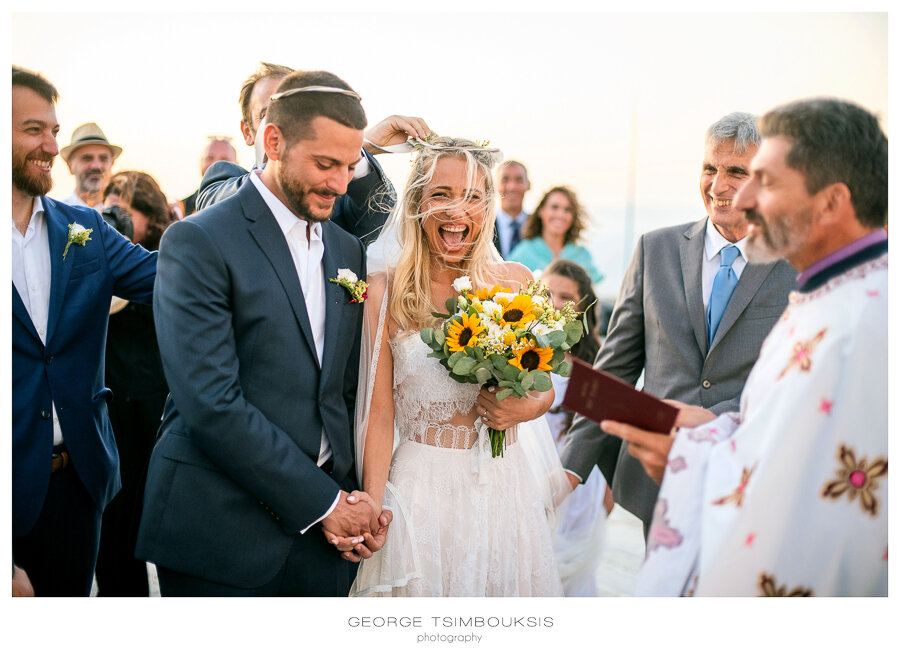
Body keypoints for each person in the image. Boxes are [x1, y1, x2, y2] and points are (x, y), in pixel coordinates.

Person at [602, 98, 888, 596]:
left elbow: (841, 498)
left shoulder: (870, 320)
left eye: (767, 181)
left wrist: (694, 454)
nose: (741, 198)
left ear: (831, 202)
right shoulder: (827, 297)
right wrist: (714, 431)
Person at [136, 70, 395, 597]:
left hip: (326, 545)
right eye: (325, 164)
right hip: (220, 531)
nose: (340, 184)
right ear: (272, 141)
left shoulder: (346, 251)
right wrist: (323, 504)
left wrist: (356, 500)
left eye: (350, 166)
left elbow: (342, 391)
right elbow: (210, 402)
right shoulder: (199, 241)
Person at [561, 112, 797, 538]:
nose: (717, 185)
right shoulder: (656, 249)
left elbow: (795, 382)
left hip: (750, 481)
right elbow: (614, 372)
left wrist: (711, 420)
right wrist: (568, 472)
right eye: (710, 168)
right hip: (658, 480)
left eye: (736, 172)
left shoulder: (796, 265)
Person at [348, 138, 565, 597]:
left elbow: (546, 386)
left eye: (472, 196)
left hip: (503, 491)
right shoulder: (386, 292)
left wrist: (523, 410)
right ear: (416, 205)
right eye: (441, 194)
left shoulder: (518, 283)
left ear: (488, 207)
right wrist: (372, 502)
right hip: (419, 492)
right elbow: (380, 414)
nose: (456, 210)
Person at [12, 66, 158, 596]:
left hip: (80, 485)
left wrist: (271, 175)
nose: (51, 144)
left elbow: (171, 277)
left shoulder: (86, 230)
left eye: (54, 130)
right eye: (34, 130)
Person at [195, 61, 430, 246]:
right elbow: (221, 208)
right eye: (270, 113)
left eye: (297, 110)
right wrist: (364, 144)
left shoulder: (333, 201)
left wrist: (352, 148)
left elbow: (379, 209)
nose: (286, 122)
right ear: (248, 132)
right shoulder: (222, 180)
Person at [93, 171, 176, 596]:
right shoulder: (97, 256)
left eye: (122, 212)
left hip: (157, 411)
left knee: (162, 523)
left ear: (148, 213)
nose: (113, 219)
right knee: (116, 531)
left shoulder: (167, 256)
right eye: (108, 210)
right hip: (114, 412)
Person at [542, 259, 612, 597]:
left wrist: (605, 502)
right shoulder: (517, 352)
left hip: (580, 485)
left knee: (578, 586)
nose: (555, 304)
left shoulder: (596, 366)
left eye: (566, 298)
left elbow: (607, 436)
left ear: (582, 308)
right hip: (533, 477)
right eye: (548, 294)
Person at [507, 186, 603, 283]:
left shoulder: (582, 255)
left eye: (567, 209)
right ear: (541, 211)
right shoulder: (522, 254)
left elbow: (592, 294)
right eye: (554, 207)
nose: (560, 215)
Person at [59, 121, 122, 211]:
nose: (96, 166)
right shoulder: (57, 214)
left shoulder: (126, 213)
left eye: (103, 158)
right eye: (87, 158)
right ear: (70, 165)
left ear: (112, 163)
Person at [180, 136, 238, 216]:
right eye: (210, 158)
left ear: (237, 165)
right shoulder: (181, 209)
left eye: (224, 159)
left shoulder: (248, 205)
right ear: (201, 162)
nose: (216, 164)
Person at [493, 159, 531, 258]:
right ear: (495, 185)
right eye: (505, 180)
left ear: (528, 185)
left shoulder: (540, 226)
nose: (512, 187)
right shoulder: (482, 227)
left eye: (519, 180)